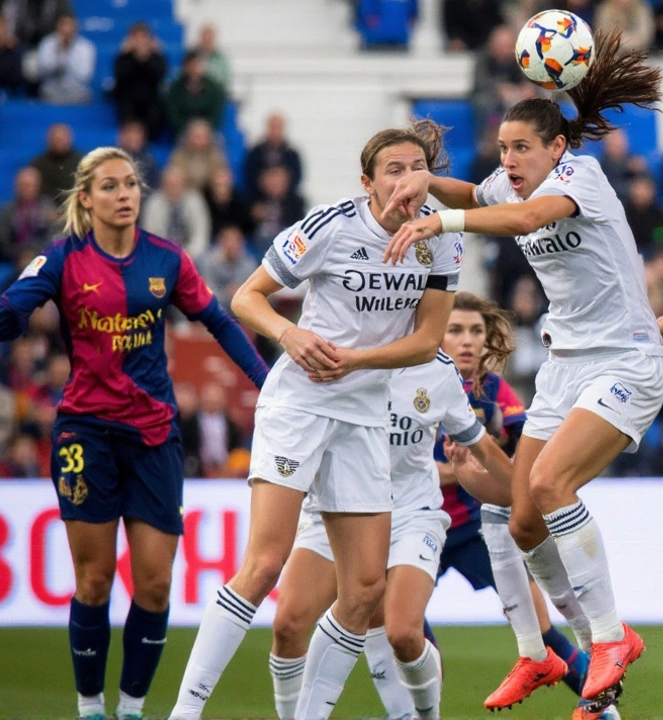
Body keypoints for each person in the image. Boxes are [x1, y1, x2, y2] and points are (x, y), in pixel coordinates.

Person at [381, 29, 663, 717]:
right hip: (567, 367)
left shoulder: (580, 179)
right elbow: (481, 192)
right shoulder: (510, 182)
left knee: (550, 482)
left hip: (627, 359)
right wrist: (423, 181)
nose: (508, 160)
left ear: (556, 149)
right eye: (504, 148)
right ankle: (542, 653)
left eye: (521, 149)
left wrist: (438, 218)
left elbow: (525, 217)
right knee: (521, 518)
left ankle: (610, 637)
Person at [167, 121, 463, 720]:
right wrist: (289, 332)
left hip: (363, 414)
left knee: (364, 591)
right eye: (394, 170)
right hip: (300, 403)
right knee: (265, 564)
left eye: (416, 168)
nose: (408, 180)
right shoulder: (331, 225)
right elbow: (246, 297)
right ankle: (185, 712)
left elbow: (429, 339)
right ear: (368, 183)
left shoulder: (442, 240)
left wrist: (356, 361)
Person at [0, 147, 269, 720]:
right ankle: (91, 708)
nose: (124, 194)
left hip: (154, 436)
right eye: (110, 186)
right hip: (86, 435)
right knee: (93, 581)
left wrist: (267, 382)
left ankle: (132, 708)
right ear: (86, 199)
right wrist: (16, 310)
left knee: (156, 586)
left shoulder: (167, 259)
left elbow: (216, 320)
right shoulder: (62, 259)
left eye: (131, 185)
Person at [269, 355, 512, 720]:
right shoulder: (338, 354)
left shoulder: (437, 370)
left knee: (403, 633)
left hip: (412, 515)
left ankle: (425, 716)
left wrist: (523, 493)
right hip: (338, 508)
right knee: (287, 624)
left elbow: (480, 444)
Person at [431, 291, 605, 713]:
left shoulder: (493, 389)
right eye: (456, 331)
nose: (468, 340)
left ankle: (602, 705)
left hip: (475, 527)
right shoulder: (419, 385)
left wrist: (488, 462)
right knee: (402, 630)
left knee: (542, 628)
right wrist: (468, 467)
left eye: (477, 331)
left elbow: (529, 454)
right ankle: (418, 708)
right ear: (438, 336)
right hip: (421, 524)